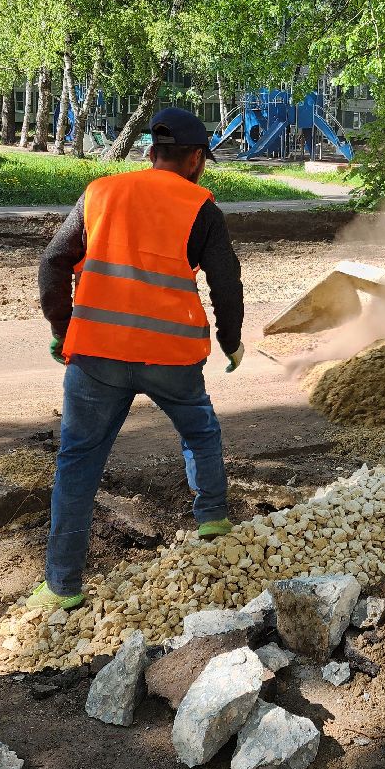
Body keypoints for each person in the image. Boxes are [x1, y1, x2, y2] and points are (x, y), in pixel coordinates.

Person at [28, 107, 244, 612]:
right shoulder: (201, 206)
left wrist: (63, 329)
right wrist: (231, 340)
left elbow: (52, 262)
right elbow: (225, 280)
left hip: (97, 354)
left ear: (150, 153)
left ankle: (61, 587)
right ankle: (212, 523)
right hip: (171, 355)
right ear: (195, 160)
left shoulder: (99, 194)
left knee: (78, 460)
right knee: (199, 433)